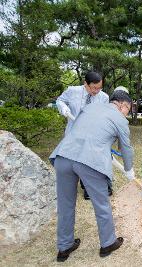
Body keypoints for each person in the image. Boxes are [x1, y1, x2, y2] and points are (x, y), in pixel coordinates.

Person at [49, 90, 135, 261]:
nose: (128, 113)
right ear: (123, 105)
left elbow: (84, 130)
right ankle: (108, 243)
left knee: (65, 204)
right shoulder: (120, 120)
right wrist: (129, 169)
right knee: (101, 204)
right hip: (89, 161)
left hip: (64, 155)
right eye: (129, 109)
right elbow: (126, 148)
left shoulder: (90, 107)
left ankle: (64, 247)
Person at [56, 71, 111, 199]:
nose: (97, 91)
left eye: (99, 88)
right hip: (73, 133)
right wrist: (63, 108)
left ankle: (88, 188)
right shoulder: (72, 91)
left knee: (89, 160)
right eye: (94, 88)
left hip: (92, 134)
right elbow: (60, 101)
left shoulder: (104, 97)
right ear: (85, 83)